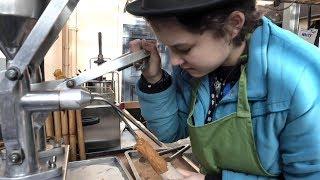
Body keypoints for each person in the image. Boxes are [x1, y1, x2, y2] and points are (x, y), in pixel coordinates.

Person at [126, 0, 320, 179]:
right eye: (168, 47)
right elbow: (169, 132)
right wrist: (154, 78)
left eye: (184, 48)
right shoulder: (197, 68)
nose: (175, 61)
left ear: (233, 24)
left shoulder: (302, 76)